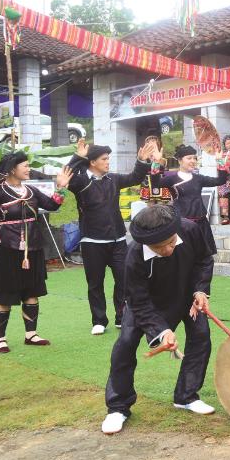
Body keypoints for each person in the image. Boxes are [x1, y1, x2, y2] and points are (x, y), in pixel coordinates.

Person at [102, 204, 217, 434]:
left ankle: (186, 396)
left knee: (201, 337)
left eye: (172, 242)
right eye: (159, 246)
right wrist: (162, 330)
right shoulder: (134, 255)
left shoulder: (190, 229)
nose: (167, 249)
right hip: (146, 302)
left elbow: (204, 260)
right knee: (125, 344)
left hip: (186, 294)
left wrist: (200, 290)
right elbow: (139, 300)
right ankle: (118, 407)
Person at [0, 153, 73, 353]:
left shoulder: (31, 190)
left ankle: (31, 334)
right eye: (25, 166)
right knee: (4, 294)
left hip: (33, 248)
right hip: (6, 248)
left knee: (32, 291)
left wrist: (61, 187)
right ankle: (0, 339)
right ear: (13, 169)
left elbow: (52, 205)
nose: (29, 169)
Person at [67, 139, 155, 336]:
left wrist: (141, 161)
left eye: (108, 158)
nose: (108, 162)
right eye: (104, 159)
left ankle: (121, 317)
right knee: (95, 284)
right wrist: (77, 157)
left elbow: (134, 177)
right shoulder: (80, 181)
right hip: (92, 242)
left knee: (124, 280)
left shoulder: (113, 179)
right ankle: (99, 320)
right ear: (93, 162)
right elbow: (66, 176)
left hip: (118, 241)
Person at [157, 144, 228, 253]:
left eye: (194, 158)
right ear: (180, 160)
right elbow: (155, 183)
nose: (193, 161)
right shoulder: (172, 179)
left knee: (205, 255)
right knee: (185, 255)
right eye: (189, 158)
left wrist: (220, 161)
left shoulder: (199, 178)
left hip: (201, 223)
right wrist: (157, 164)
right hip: (182, 225)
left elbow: (220, 181)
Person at [140, 135, 172, 205]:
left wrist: (157, 160)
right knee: (150, 209)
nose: (152, 150)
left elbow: (162, 168)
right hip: (148, 186)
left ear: (158, 148)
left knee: (161, 207)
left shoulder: (163, 161)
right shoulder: (144, 160)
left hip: (161, 188)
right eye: (149, 148)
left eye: (154, 147)